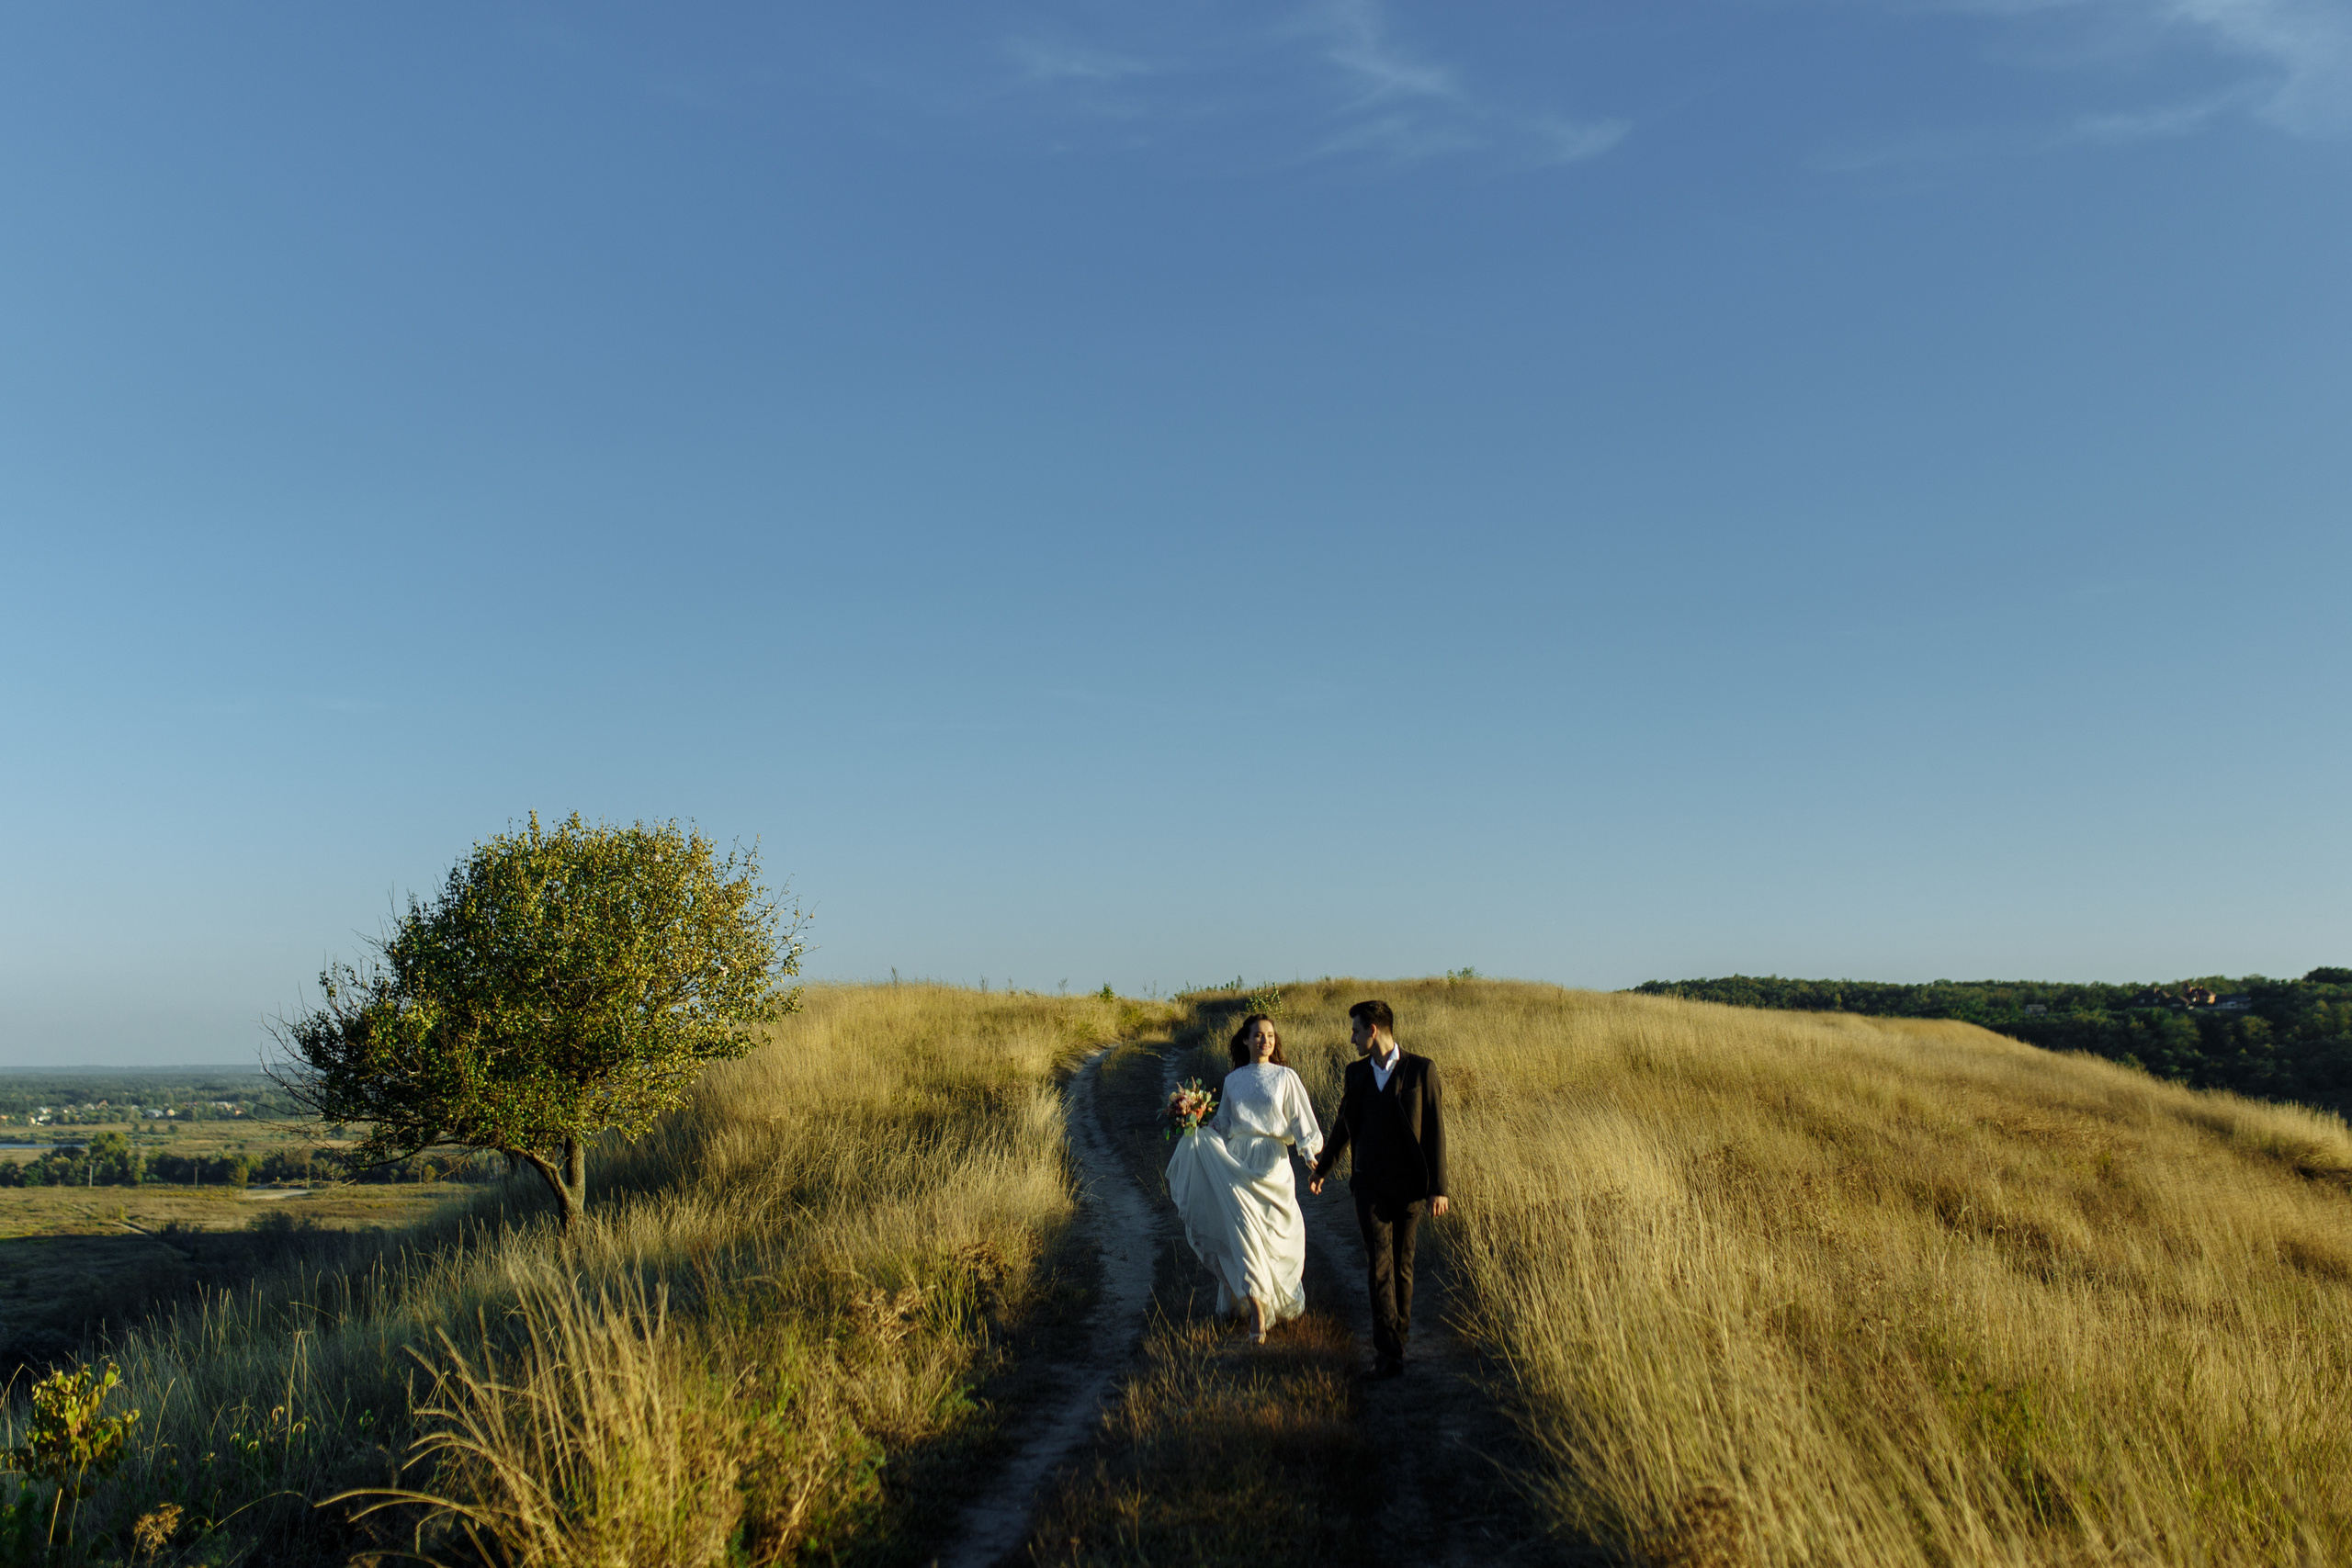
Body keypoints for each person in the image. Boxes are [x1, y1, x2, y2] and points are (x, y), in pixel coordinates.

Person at [1165, 1012, 1325, 1344]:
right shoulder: (1234, 1080)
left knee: (1277, 1232)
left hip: (1272, 1162)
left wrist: (1309, 1153)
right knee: (1244, 1234)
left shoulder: (1286, 1077)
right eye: (1258, 1035)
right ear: (1246, 1041)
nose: (1265, 1040)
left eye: (1270, 1035)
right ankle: (1257, 1312)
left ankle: (1271, 1297)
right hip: (1237, 1161)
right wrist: (1193, 1122)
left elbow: (1300, 1119)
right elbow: (1223, 1123)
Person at [1309, 998, 1448, 1379]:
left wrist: (1439, 1187)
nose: (1351, 1038)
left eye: (1355, 1030)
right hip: (1369, 1184)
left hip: (1410, 1188)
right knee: (1379, 1266)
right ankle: (1387, 1351)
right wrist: (1323, 1167)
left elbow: (1435, 1130)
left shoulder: (1421, 1070)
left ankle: (1397, 1339)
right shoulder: (1355, 1075)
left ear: (1373, 1030)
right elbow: (1344, 1123)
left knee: (1403, 1267)